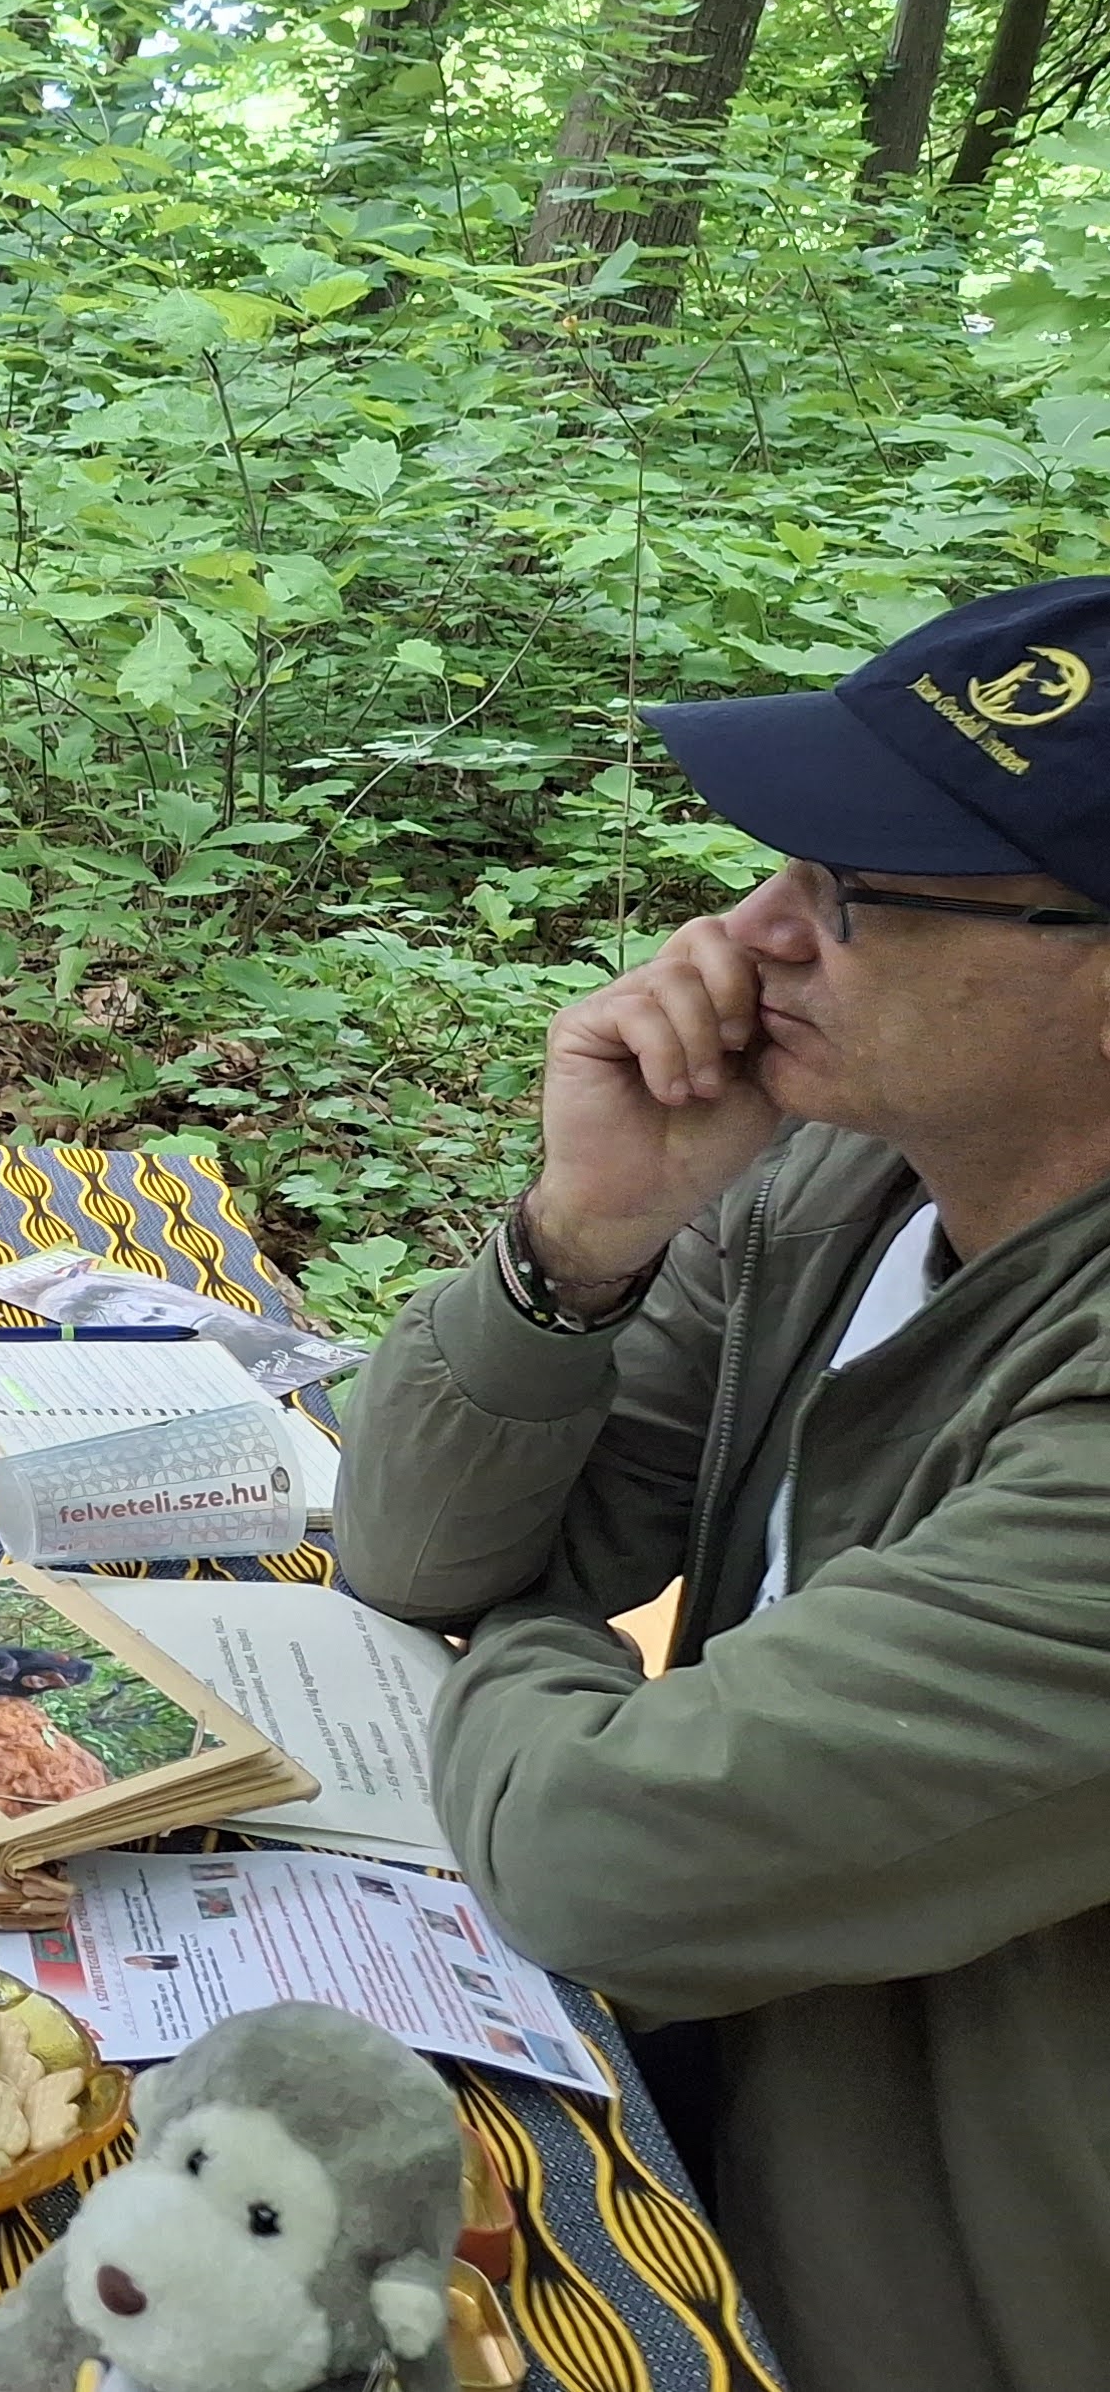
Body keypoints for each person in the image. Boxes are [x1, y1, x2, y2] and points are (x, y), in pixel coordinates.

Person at [335, 578, 1110, 2392]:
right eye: (783, 865)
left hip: (918, 2280)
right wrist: (579, 1239)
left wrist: (526, 1643)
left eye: (853, 894)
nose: (750, 936)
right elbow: (410, 1550)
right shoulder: (846, 1186)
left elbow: (600, 1856)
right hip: (693, 2094)